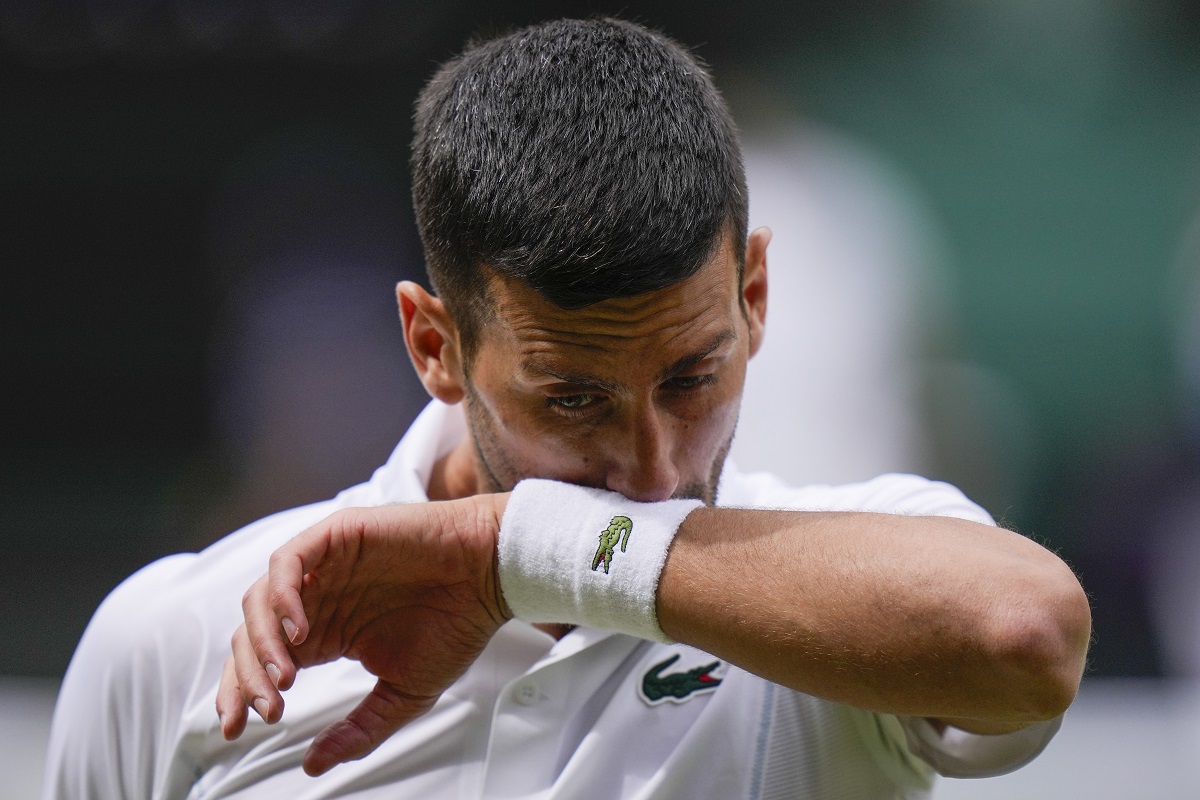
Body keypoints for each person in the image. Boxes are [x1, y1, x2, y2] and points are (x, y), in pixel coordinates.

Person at [44, 18, 1091, 799]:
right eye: (575, 398)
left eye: (692, 377)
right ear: (434, 344)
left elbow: (1028, 632)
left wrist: (519, 548)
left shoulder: (841, 598)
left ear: (755, 295)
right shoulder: (173, 642)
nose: (653, 467)